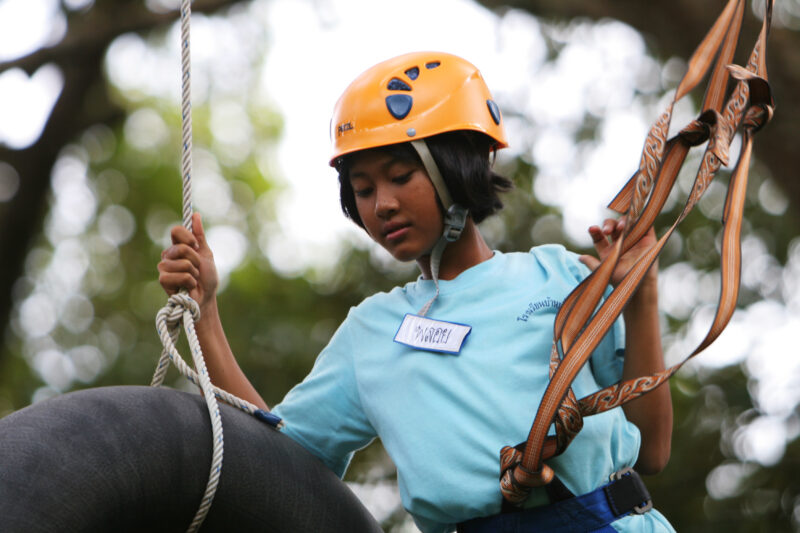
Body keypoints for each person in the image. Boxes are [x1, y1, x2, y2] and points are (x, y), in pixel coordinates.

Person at [158, 51, 674, 532]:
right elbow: (276, 461)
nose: (381, 204)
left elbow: (652, 450)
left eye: (401, 176)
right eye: (363, 189)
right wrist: (206, 315)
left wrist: (643, 296)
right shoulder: (370, 333)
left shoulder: (559, 276)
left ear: (459, 169)